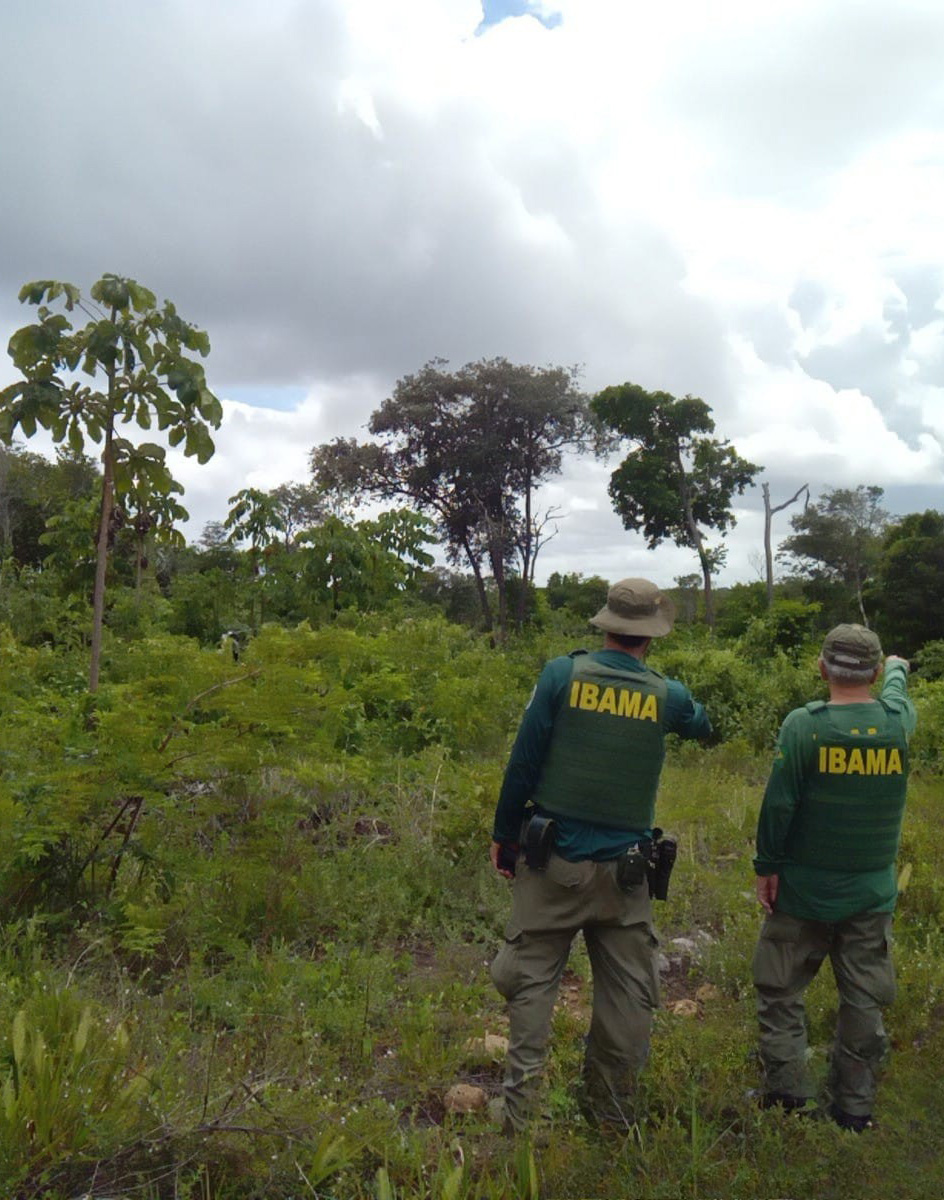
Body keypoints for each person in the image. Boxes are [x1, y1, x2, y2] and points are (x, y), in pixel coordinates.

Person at [489, 577, 711, 1134]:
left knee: (532, 979)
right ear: (650, 636)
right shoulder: (669, 695)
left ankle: (520, 1115)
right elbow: (704, 727)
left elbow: (524, 760)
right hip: (628, 876)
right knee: (628, 996)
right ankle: (611, 1116)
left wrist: (505, 835)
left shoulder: (562, 675)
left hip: (551, 862)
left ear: (607, 624)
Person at [752, 624, 916, 1132]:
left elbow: (778, 805)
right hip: (870, 894)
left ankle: (785, 1095)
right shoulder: (897, 722)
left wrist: (767, 867)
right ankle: (853, 1108)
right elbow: (895, 690)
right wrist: (897, 668)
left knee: (780, 990)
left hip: (802, 892)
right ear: (872, 672)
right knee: (863, 997)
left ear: (821, 668)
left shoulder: (805, 726)